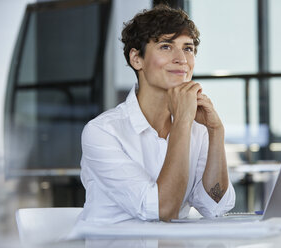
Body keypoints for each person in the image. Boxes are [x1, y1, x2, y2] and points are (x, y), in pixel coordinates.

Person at [77, 5, 235, 224]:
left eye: (188, 48)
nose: (182, 59)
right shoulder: (103, 132)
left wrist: (216, 131)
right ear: (136, 59)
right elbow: (162, 210)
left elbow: (215, 205)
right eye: (166, 46)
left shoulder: (197, 128)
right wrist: (181, 122)